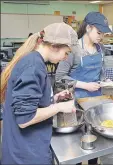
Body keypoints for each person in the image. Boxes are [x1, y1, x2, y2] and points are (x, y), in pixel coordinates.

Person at [0, 22, 78, 164]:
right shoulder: (33, 66)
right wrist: (60, 107)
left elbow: (30, 101)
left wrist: (52, 99)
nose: (66, 58)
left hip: (25, 149)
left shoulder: (34, 61)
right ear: (54, 46)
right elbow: (25, 119)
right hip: (26, 156)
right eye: (66, 53)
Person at [55, 12, 112, 99]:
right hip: (76, 99)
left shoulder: (101, 49)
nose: (102, 37)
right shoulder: (73, 49)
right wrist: (85, 86)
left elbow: (100, 72)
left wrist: (105, 80)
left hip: (96, 97)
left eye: (103, 34)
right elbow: (59, 78)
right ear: (88, 28)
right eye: (99, 33)